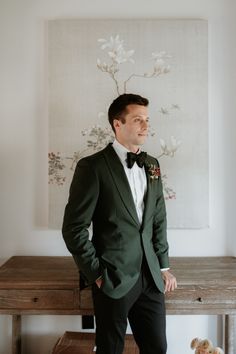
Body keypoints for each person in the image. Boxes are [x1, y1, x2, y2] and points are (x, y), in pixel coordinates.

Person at [62, 93, 177, 354]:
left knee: (157, 348)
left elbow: (158, 219)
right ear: (118, 124)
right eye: (138, 120)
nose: (146, 126)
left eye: (147, 119)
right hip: (112, 277)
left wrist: (163, 265)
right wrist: (97, 274)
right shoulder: (92, 167)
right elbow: (73, 228)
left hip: (151, 277)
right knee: (110, 349)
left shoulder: (152, 165)